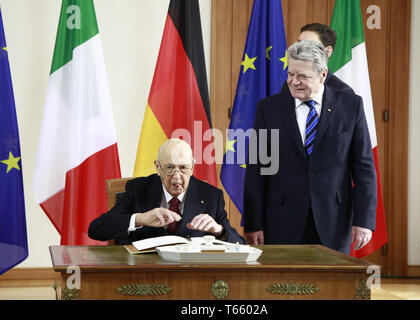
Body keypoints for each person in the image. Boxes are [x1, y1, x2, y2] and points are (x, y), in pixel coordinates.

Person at [244, 40, 376, 254]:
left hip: (334, 221)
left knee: (332, 286)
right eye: (290, 74)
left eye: (303, 76)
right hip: (281, 222)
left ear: (323, 75)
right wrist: (253, 223)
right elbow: (257, 170)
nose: (294, 82)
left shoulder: (350, 106)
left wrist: (364, 220)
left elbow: (363, 168)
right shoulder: (268, 109)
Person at [89, 138, 245, 244]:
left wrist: (218, 230)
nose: (177, 177)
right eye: (169, 168)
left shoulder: (211, 196)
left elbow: (241, 244)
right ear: (158, 167)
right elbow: (96, 229)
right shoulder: (138, 189)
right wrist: (140, 219)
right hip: (145, 272)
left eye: (183, 168)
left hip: (191, 276)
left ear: (192, 168)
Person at [281, 23, 354, 94]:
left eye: (309, 45)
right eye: (299, 43)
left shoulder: (343, 93)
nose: (301, 50)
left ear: (327, 52)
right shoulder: (288, 86)